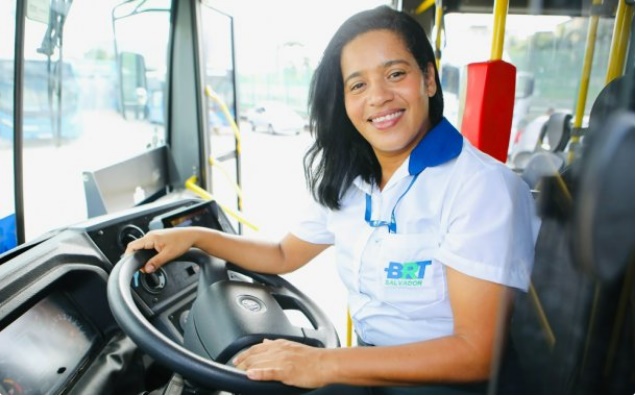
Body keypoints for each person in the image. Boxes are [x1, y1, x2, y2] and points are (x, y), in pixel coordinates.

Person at [125, 5, 540, 394]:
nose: (378, 97)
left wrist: (325, 364)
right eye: (357, 84)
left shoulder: (481, 187)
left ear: (429, 80)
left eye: (395, 74)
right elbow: (283, 253)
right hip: (371, 369)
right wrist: (195, 238)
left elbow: (476, 352)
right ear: (343, 101)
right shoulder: (351, 180)